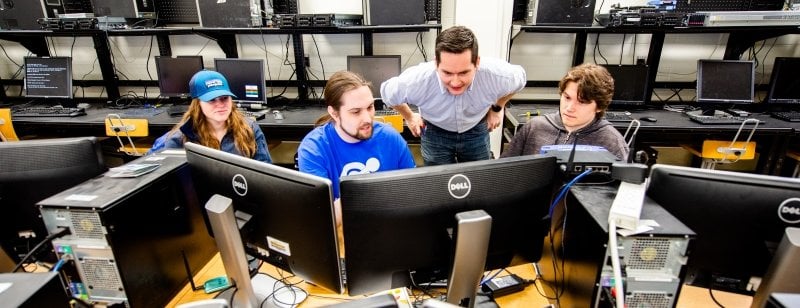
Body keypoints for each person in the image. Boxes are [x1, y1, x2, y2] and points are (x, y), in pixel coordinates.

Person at [380, 25, 526, 166]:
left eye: (464, 72)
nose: (455, 82)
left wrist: (497, 108)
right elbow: (387, 93)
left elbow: (520, 80)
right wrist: (410, 117)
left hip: (476, 128)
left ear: (477, 63)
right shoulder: (417, 80)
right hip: (434, 132)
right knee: (439, 183)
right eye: (447, 73)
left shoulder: (497, 75)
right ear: (436, 64)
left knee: (477, 180)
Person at [297, 71, 415, 224]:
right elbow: (322, 218)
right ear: (334, 112)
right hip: (343, 231)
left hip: (389, 227)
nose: (367, 118)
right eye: (356, 112)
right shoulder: (313, 149)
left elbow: (412, 194)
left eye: (370, 107)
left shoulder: (390, 137)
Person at [501, 63, 629, 160]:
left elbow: (625, 191)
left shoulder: (612, 142)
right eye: (567, 98)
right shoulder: (535, 128)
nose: (569, 108)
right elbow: (502, 172)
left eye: (582, 102)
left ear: (599, 106)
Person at [149, 70, 272, 163]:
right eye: (212, 100)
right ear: (198, 104)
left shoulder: (249, 128)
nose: (220, 105)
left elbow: (266, 173)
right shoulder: (180, 139)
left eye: (224, 98)